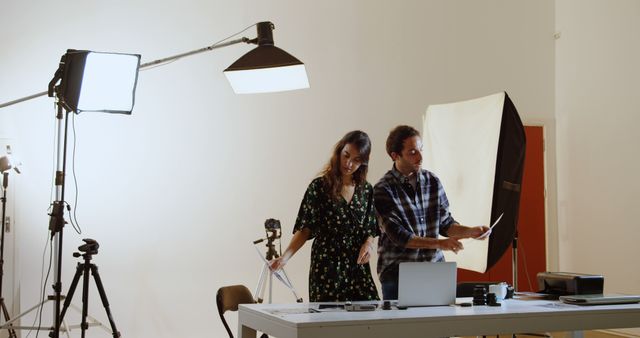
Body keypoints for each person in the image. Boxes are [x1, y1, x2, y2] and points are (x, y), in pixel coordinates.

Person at [374, 125, 490, 300]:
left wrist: (470, 232)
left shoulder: (432, 181)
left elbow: (445, 223)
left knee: (439, 326)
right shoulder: (383, 190)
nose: (420, 157)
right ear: (395, 155)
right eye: (412, 152)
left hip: (434, 270)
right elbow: (399, 236)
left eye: (421, 150)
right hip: (398, 274)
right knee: (402, 327)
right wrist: (441, 244)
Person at [270, 130, 380, 302]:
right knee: (326, 321)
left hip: (357, 267)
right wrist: (285, 257)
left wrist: (368, 245)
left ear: (363, 162)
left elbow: (371, 228)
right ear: (339, 151)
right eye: (346, 155)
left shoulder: (366, 190)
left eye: (356, 160)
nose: (349, 163)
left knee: (368, 318)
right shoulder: (319, 187)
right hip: (327, 266)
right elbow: (305, 229)